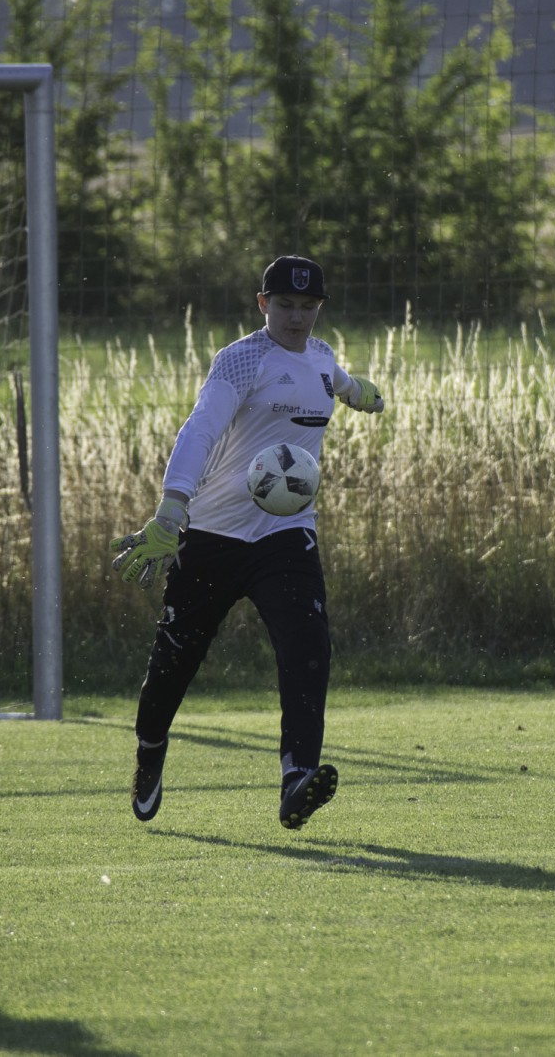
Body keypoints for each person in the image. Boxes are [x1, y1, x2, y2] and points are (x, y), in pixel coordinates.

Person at [109, 255, 385, 829]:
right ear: (263, 304)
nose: (296, 318)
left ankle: (297, 778)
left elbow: (332, 378)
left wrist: (356, 391)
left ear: (319, 308)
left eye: (308, 307)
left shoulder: (321, 355)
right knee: (174, 662)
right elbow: (200, 428)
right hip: (212, 535)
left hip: (286, 535)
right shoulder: (240, 360)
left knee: (308, 647)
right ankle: (150, 752)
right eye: (285, 305)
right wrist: (173, 506)